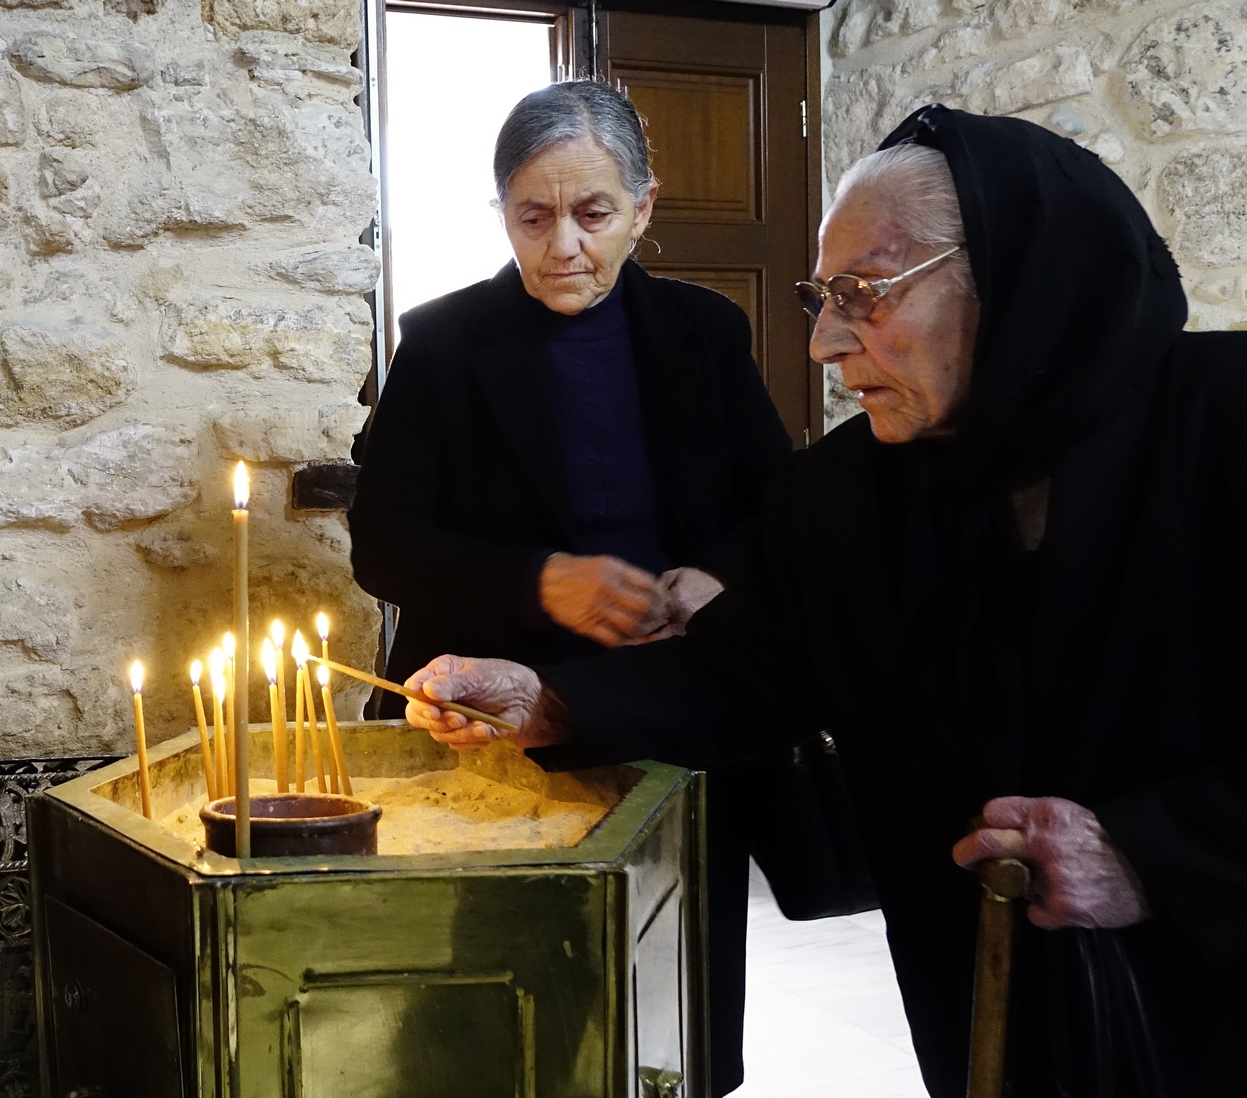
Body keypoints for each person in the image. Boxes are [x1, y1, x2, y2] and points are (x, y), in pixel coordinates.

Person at [401, 104, 1247, 1098]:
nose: (824, 343)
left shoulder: (1223, 425)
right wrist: (553, 702)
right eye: (820, 296)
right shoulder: (851, 490)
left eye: (864, 293)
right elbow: (758, 671)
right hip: (977, 984)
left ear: (1017, 276)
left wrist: (1148, 854)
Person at [348, 81, 793, 1096]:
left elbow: (780, 506)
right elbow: (385, 545)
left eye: (593, 215)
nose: (563, 247)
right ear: (501, 210)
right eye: (532, 216)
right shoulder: (447, 342)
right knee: (491, 1012)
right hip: (494, 723)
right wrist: (542, 580)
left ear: (643, 207)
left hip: (673, 716)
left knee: (673, 1005)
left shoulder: (705, 333)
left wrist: (709, 576)